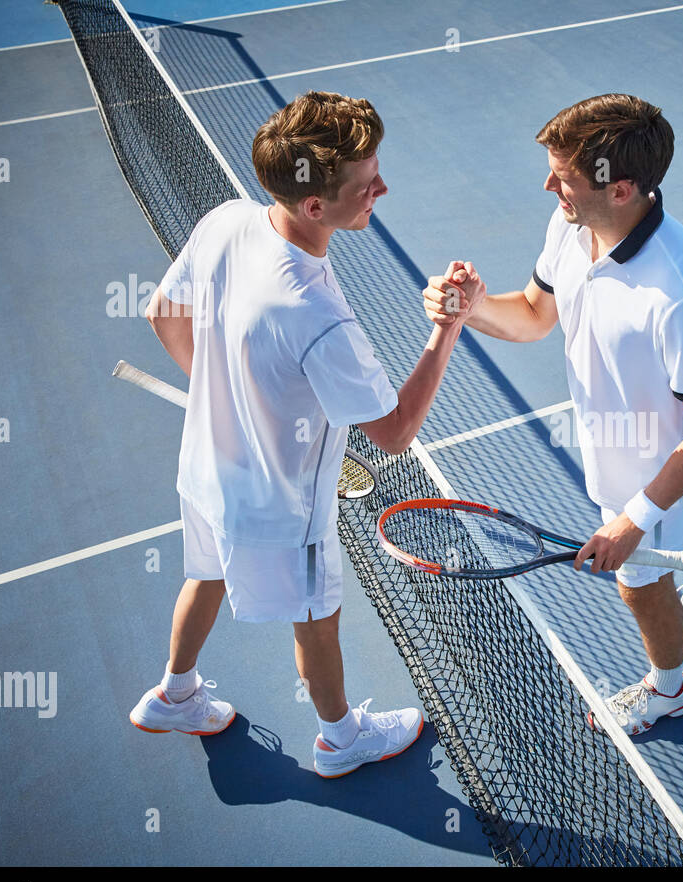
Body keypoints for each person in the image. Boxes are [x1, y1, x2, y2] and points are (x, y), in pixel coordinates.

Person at [129, 91, 476, 777]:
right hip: (283, 509)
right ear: (316, 205)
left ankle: (175, 694)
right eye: (367, 182)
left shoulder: (227, 221)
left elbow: (161, 314)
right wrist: (448, 328)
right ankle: (340, 740)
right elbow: (396, 431)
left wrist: (226, 397)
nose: (383, 187)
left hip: (204, 469)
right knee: (317, 618)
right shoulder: (319, 315)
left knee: (206, 571)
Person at [423, 93, 683, 735]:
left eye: (563, 177)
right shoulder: (573, 227)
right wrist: (468, 307)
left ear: (623, 188)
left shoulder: (679, 297)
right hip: (611, 450)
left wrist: (633, 522)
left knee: (638, 584)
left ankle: (670, 689)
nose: (549, 186)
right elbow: (532, 314)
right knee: (669, 526)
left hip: (654, 471)